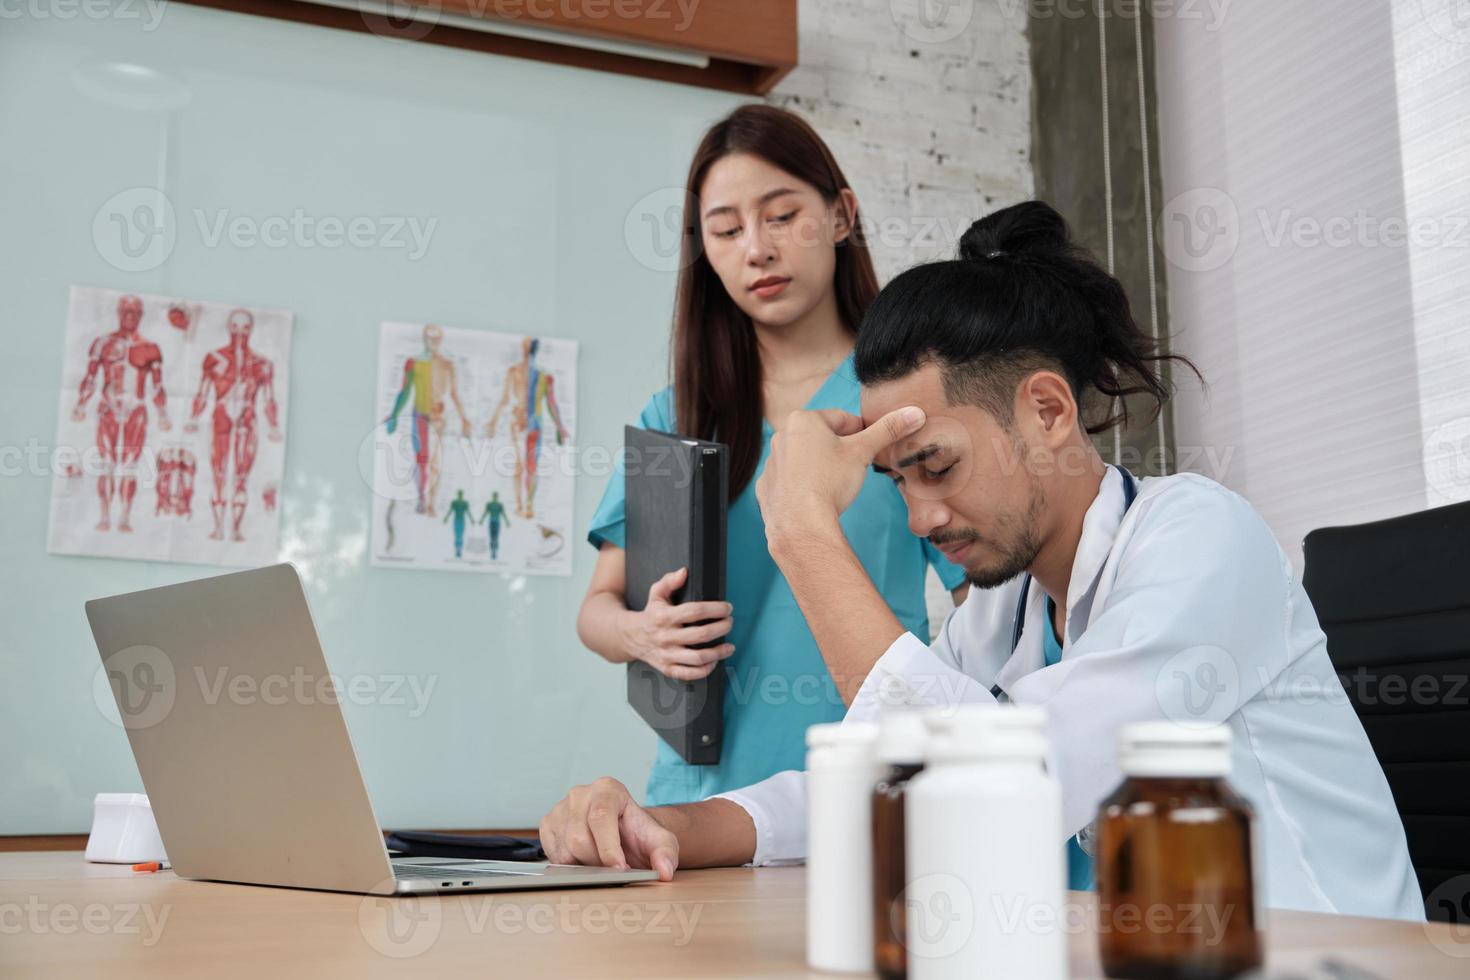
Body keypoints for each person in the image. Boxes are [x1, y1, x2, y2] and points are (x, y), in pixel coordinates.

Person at [539, 201, 1424, 922]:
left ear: (1046, 412)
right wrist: (662, 826)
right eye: (896, 479)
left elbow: (1000, 793)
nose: (920, 514)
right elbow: (875, 779)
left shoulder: (1203, 539)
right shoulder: (1000, 608)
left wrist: (802, 530)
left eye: (937, 465)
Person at [577, 104, 968, 807]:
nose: (755, 248)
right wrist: (643, 634)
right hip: (696, 802)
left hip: (864, 792)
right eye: (725, 230)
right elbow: (597, 611)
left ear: (842, 215)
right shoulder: (676, 414)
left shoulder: (901, 405)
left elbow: (987, 605)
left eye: (782, 216)